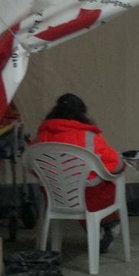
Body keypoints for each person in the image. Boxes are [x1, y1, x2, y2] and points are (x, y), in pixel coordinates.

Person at [36, 93, 125, 253]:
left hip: (54, 195)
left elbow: (33, 167)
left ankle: (98, 229)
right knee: (109, 185)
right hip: (88, 197)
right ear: (81, 114)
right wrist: (122, 163)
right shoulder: (89, 136)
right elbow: (113, 165)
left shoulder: (41, 136)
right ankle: (107, 224)